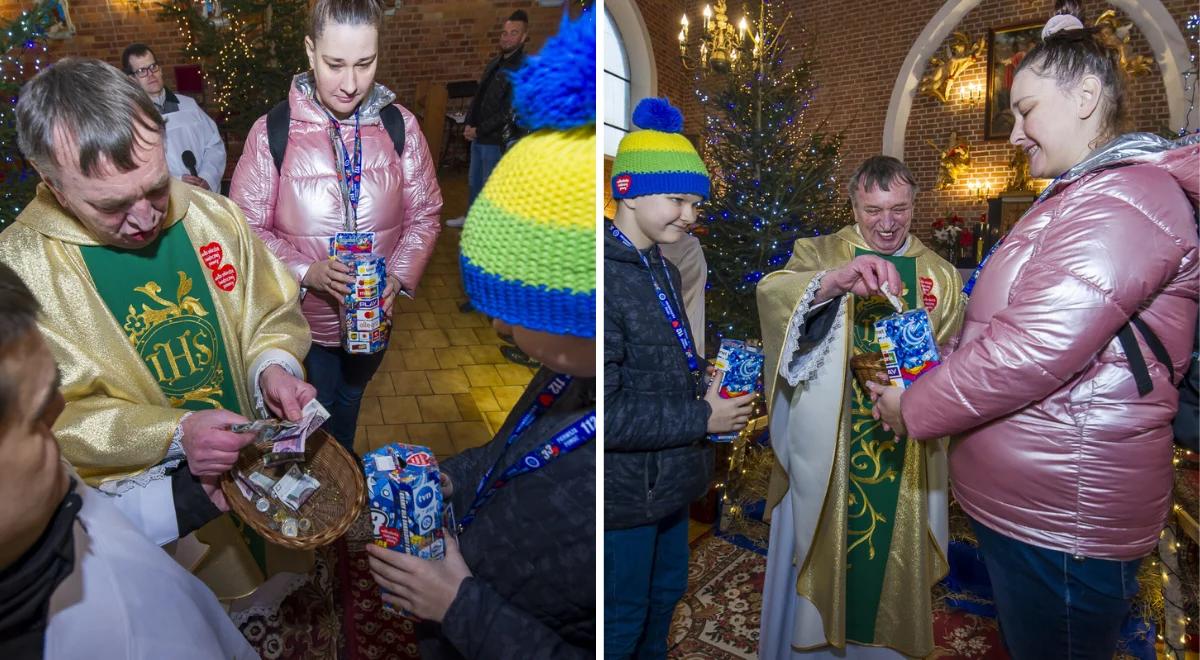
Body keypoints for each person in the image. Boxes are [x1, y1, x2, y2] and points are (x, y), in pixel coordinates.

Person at [868, 2, 1200, 656]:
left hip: (1065, 518)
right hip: (1039, 506)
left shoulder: (1126, 199)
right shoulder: (1087, 195)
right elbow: (1014, 325)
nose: (1015, 133)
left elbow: (1032, 350)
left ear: (1083, 96)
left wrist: (914, 406)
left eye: (1024, 110)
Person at [0, 56, 315, 600]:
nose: (147, 218)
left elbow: (267, 311)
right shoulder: (19, 275)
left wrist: (273, 367)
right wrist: (174, 433)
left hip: (263, 472)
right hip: (157, 521)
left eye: (154, 187)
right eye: (113, 205)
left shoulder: (208, 216)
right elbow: (39, 426)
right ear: (52, 183)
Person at [364, 10, 596, 658]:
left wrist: (460, 607)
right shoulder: (567, 374)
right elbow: (513, 453)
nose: (495, 324)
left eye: (509, 308)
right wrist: (454, 479)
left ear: (571, 314)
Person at [757, 156, 965, 658]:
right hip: (827, 445)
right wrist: (831, 283)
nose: (888, 223)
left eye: (899, 208)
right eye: (873, 210)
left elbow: (953, 352)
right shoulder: (821, 251)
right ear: (854, 205)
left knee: (891, 565)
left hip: (905, 448)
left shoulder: (938, 273)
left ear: (915, 205)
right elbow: (772, 295)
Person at [0, 263, 256, 660]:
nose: (62, 406)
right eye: (36, 417)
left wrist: (187, 498)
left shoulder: (30, 489)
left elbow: (90, 521)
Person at [230, 0, 442, 456]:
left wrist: (399, 277)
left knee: (349, 402)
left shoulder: (399, 125)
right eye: (335, 64)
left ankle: (343, 469)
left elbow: (425, 215)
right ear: (310, 51)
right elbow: (244, 229)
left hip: (374, 321)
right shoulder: (273, 132)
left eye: (365, 64)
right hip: (303, 327)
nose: (350, 84)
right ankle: (322, 480)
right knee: (312, 415)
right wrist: (308, 272)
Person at [604, 97, 757, 660]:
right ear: (628, 189)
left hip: (669, 480)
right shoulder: (604, 278)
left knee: (664, 595)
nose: (691, 215)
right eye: (678, 199)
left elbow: (666, 353)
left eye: (695, 203)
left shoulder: (664, 266)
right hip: (624, 493)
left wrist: (704, 374)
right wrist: (703, 416)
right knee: (620, 616)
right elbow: (608, 412)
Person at [444, 10, 529, 228]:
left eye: (513, 33)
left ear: (523, 36)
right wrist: (468, 124)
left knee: (490, 186)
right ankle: (471, 220)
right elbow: (480, 96)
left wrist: (480, 130)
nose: (507, 37)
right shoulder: (495, 62)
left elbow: (509, 111)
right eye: (505, 33)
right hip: (479, 134)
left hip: (496, 139)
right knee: (474, 183)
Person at [122, 43, 226, 193]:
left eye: (153, 67)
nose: (151, 74)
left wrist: (207, 177)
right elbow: (134, 167)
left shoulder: (189, 106)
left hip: (204, 192)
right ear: (132, 79)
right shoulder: (133, 118)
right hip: (169, 199)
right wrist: (176, 182)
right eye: (142, 71)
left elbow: (214, 144)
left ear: (160, 69)